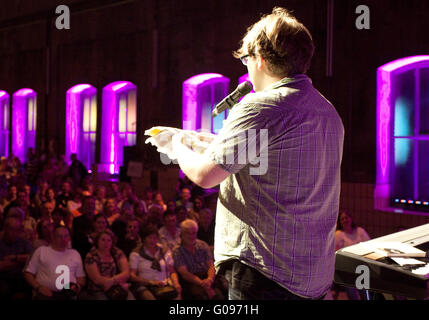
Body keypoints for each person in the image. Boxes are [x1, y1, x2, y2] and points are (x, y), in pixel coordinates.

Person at [169, 7, 344, 300]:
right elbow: (274, 158)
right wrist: (213, 142)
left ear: (259, 59)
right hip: (311, 274)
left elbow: (204, 176)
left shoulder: (260, 106)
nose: (246, 68)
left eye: (246, 60)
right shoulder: (327, 110)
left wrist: (176, 144)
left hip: (265, 273)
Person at [24, 225, 85, 300]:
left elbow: (81, 278)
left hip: (68, 293)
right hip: (45, 293)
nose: (63, 239)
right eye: (59, 236)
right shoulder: (42, 251)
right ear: (53, 237)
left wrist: (77, 286)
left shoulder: (75, 253)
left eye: (66, 236)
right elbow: (28, 273)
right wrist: (38, 287)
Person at [172, 219, 225, 300]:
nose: (191, 236)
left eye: (193, 233)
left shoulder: (203, 245)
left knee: (221, 295)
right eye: (188, 233)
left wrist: (210, 280)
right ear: (181, 234)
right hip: (190, 281)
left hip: (206, 278)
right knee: (201, 296)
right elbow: (185, 274)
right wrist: (204, 285)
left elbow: (211, 265)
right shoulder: (177, 250)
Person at [129, 225, 181, 300]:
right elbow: (132, 276)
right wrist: (152, 282)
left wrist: (176, 283)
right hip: (146, 285)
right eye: (150, 238)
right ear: (144, 239)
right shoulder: (136, 253)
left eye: (155, 238)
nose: (153, 240)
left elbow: (172, 271)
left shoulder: (164, 251)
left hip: (165, 285)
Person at [81, 230, 134, 300]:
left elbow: (126, 273)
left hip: (117, 286)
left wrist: (113, 281)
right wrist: (114, 282)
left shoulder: (117, 252)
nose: (106, 243)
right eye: (103, 240)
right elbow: (97, 280)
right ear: (97, 241)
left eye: (109, 240)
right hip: (98, 290)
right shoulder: (91, 256)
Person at [333, 211, 370, 300]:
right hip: (346, 267)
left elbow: (369, 246)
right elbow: (335, 251)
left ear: (351, 219)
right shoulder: (338, 234)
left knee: (364, 292)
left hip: (360, 265)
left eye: (346, 218)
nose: (345, 220)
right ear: (340, 222)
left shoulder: (360, 231)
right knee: (350, 289)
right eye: (342, 219)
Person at [0, 217, 33, 299]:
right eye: (11, 229)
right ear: (5, 228)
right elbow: (1, 266)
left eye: (17, 230)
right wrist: (21, 261)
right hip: (3, 278)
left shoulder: (23, 242)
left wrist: (15, 257)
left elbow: (32, 258)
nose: (14, 233)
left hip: (21, 278)